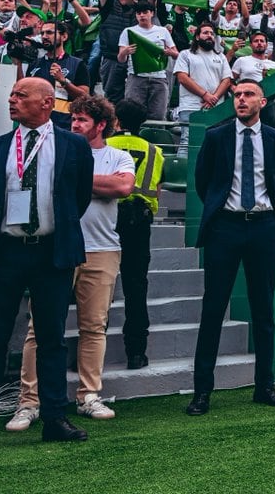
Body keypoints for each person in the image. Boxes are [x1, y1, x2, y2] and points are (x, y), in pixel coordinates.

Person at [0, 78, 94, 458]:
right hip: (5, 253)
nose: (12, 100)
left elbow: (78, 198)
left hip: (51, 253)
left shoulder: (74, 145)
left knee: (52, 340)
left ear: (47, 103)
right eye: (11, 95)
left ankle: (55, 419)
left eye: (20, 95)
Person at [8, 96, 134, 430]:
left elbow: (123, 186)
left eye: (81, 120)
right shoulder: (58, 149)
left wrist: (72, 182)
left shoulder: (117, 155)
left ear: (101, 124)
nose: (74, 125)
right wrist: (94, 186)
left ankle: (89, 395)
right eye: (73, 119)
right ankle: (29, 402)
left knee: (94, 326)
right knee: (40, 328)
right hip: (56, 247)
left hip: (101, 249)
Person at [186, 80, 275, 415]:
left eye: (247, 95)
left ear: (262, 100)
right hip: (226, 228)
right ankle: (202, 392)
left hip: (264, 227)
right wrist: (220, 213)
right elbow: (204, 183)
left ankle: (265, 386)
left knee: (264, 311)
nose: (240, 100)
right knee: (213, 308)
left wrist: (270, 221)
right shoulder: (217, 136)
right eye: (236, 95)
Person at [106, 99, 163, 369]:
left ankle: (93, 350)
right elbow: (157, 190)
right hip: (140, 222)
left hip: (107, 218)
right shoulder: (155, 151)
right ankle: (137, 353)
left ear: (116, 120)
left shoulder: (105, 146)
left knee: (98, 286)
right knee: (136, 287)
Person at [174, 22, 233, 158]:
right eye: (205, 33)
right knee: (187, 142)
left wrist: (214, 98)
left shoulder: (221, 56)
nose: (209, 36)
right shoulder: (185, 54)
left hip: (217, 108)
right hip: (191, 106)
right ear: (197, 37)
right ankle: (182, 176)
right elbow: (182, 78)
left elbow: (227, 80)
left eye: (212, 34)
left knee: (215, 144)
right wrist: (205, 95)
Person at [118, 1, 179, 122]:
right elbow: (120, 59)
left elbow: (176, 54)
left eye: (145, 12)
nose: (142, 15)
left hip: (159, 78)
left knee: (158, 114)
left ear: (152, 13)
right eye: (139, 13)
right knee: (132, 114)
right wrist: (125, 52)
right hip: (136, 77)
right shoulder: (128, 31)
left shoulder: (162, 31)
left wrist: (168, 52)